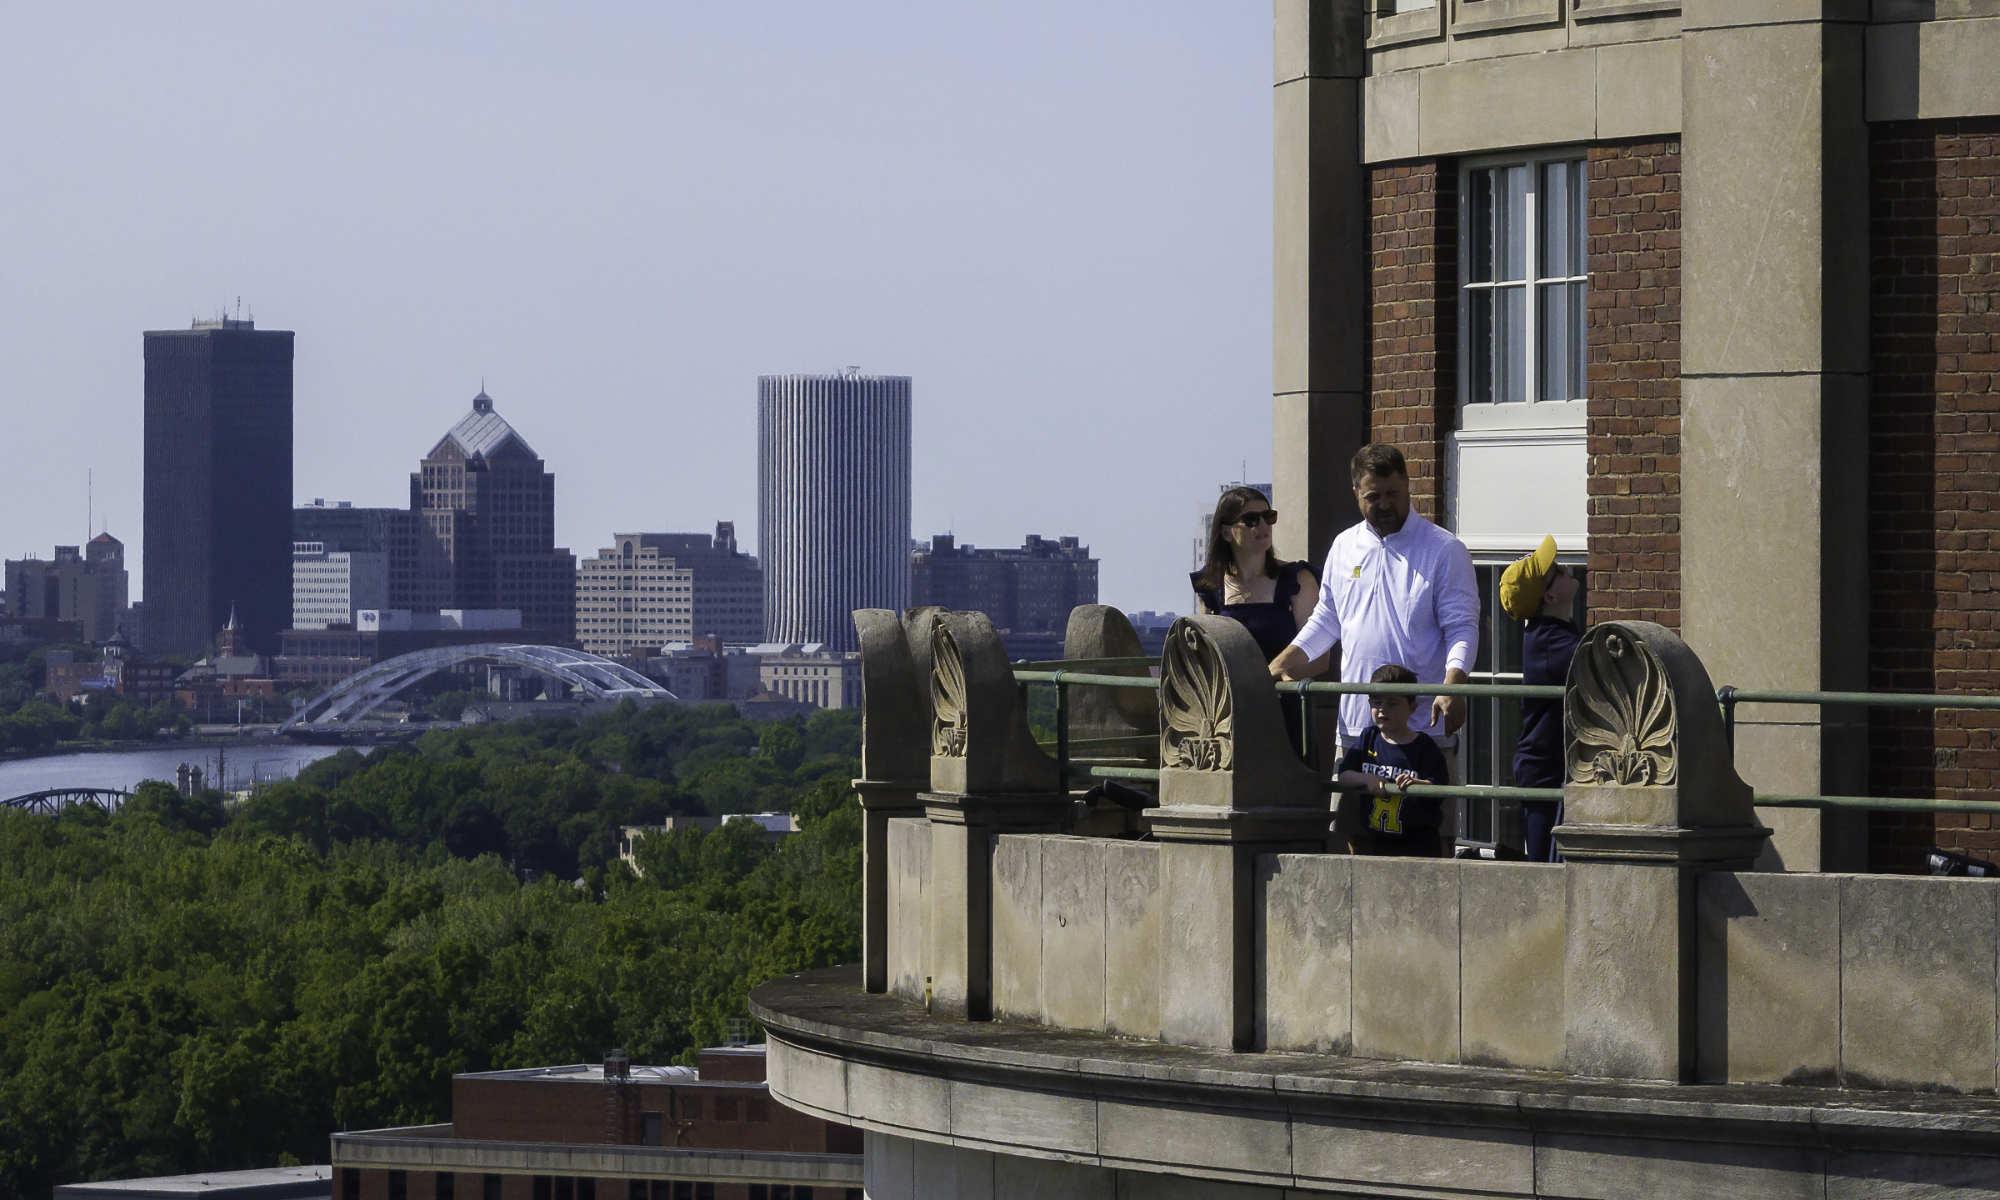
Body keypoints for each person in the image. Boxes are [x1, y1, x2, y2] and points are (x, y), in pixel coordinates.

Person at [1269, 444, 1481, 750]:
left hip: (1421, 731)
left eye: (1392, 494)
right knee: (1346, 800)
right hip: (1356, 728)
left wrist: (1453, 685)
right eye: (1373, 497)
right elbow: (1328, 620)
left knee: (1428, 799)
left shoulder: (1445, 549)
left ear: (1407, 485)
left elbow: (1461, 627)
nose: (1384, 505)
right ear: (1355, 491)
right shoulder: (1343, 546)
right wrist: (1281, 663)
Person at [1190, 486, 1319, 749]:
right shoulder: (1211, 585)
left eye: (1268, 516)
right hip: (1230, 714)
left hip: (1285, 711)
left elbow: (1318, 655)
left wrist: (1269, 679)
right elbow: (1204, 655)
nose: (1263, 525)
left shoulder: (1298, 579)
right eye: (1251, 520)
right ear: (1226, 532)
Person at [1499, 534, 1581, 862]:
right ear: (1549, 595)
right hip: (1544, 771)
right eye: (1557, 571)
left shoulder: (1556, 633)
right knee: (1546, 868)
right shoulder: (1549, 641)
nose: (1564, 570)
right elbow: (1597, 661)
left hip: (1548, 766)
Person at [1336, 663, 1453, 857]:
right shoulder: (1368, 738)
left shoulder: (1425, 747)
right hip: (1374, 844)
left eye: (1392, 703)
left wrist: (1419, 785)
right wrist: (1366, 779)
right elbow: (1344, 775)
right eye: (1376, 702)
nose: (1382, 710)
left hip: (1418, 846)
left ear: (1412, 707)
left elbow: (1440, 788)